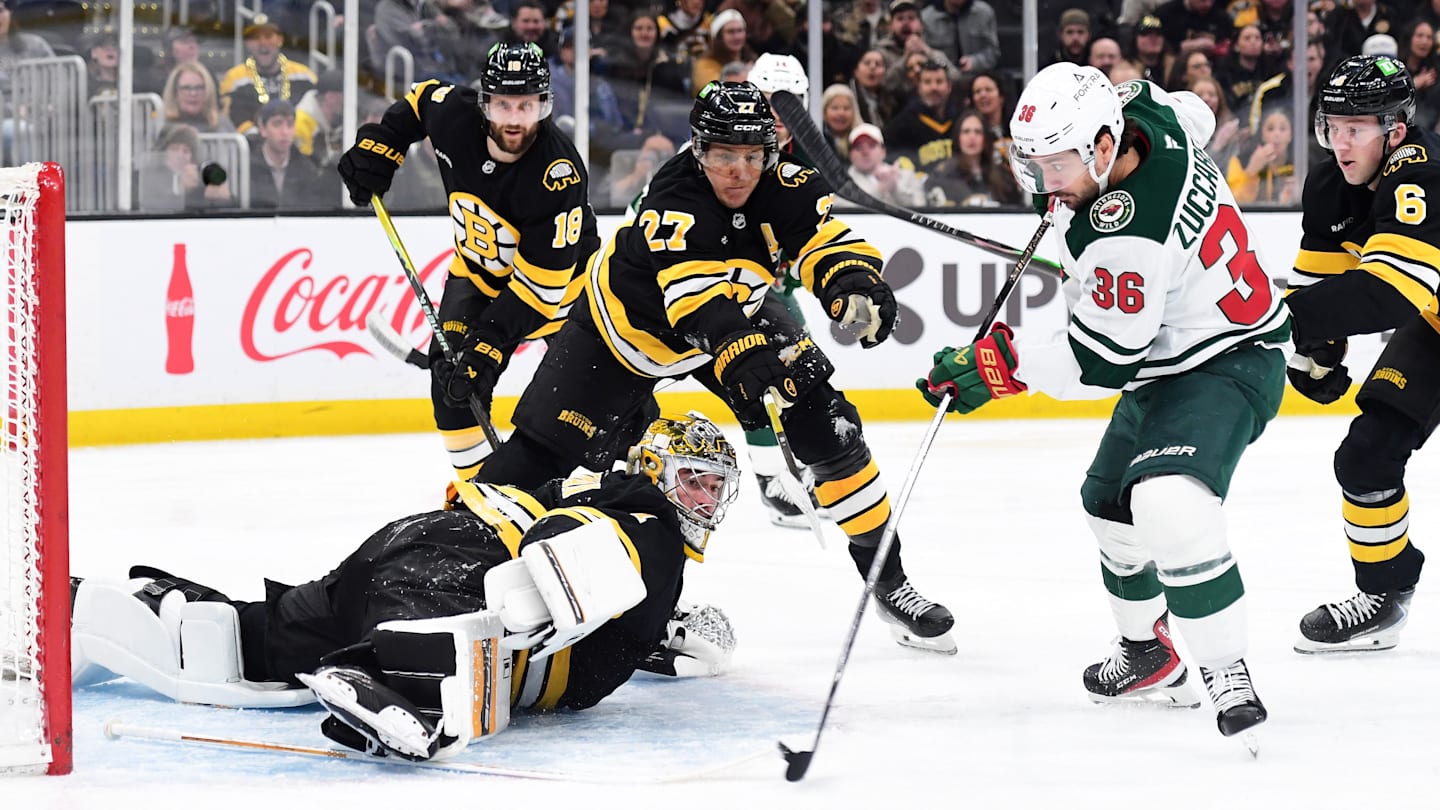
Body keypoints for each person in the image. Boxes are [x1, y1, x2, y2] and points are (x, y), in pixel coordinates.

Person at [476, 81, 957, 653]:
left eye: (752, 156)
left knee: (827, 420)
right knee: (532, 463)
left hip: (735, 314)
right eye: (724, 154)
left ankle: (889, 582)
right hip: (619, 335)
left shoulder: (784, 184)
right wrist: (740, 349)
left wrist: (851, 282)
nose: (739, 171)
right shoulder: (674, 196)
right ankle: (458, 555)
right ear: (699, 149)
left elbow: (822, 240)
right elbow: (696, 304)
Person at [918, 65, 1289, 741]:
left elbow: (1101, 362)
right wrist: (1071, 208)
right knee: (1109, 509)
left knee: (1167, 502)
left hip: (1228, 359)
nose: (1044, 183)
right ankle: (1148, 653)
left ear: (1103, 145)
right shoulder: (1144, 108)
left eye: (1057, 165)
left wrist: (998, 366)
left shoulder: (1127, 238)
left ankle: (1226, 670)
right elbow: (1192, 113)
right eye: (1035, 165)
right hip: (1170, 359)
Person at [69, 413, 742, 762]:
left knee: (257, 639)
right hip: (455, 576)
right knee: (431, 646)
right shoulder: (652, 533)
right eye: (693, 481)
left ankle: (138, 608)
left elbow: (611, 607)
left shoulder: (613, 511)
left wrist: (674, 632)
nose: (705, 501)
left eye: (716, 488)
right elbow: (556, 564)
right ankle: (387, 678)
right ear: (655, 471)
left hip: (416, 551)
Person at [338, 42, 598, 479]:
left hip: (564, 298)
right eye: (502, 104)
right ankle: (478, 492)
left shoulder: (557, 174)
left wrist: (487, 344)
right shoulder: (453, 115)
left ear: (544, 105)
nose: (514, 119)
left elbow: (540, 292)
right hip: (477, 277)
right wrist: (385, 143)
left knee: (595, 402)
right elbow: (420, 101)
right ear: (483, 102)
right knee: (454, 390)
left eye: (526, 105)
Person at [1283, 55, 1440, 654]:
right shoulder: (1331, 186)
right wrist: (1312, 357)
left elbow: (1393, 291)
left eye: (1356, 128)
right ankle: (1384, 595)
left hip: (1421, 306)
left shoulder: (1421, 172)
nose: (1340, 142)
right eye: (1333, 126)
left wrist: (1283, 321)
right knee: (1365, 458)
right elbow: (1319, 287)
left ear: (1395, 130)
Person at [218, 14, 318, 134]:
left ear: (280, 40)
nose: (263, 43)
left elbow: (317, 111)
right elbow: (227, 118)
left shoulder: (304, 75)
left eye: (268, 36)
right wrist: (261, 137)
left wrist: (291, 134)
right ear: (247, 43)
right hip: (251, 142)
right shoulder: (234, 78)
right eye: (255, 38)